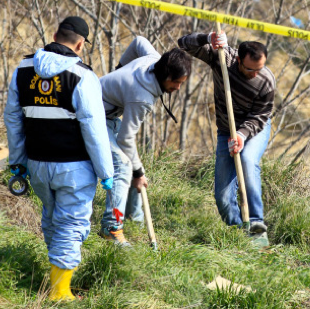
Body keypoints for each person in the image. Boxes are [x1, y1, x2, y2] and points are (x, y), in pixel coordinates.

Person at [4, 16, 114, 301]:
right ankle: (59, 292)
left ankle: (55, 280)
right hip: (74, 168)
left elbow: (13, 119)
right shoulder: (83, 76)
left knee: (52, 220)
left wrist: (18, 161)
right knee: (71, 224)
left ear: (54, 35)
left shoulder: (22, 70)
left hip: (38, 164)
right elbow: (94, 128)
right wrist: (106, 170)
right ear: (80, 44)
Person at [178, 31, 275, 246]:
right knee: (222, 197)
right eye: (251, 69)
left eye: (260, 68)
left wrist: (242, 134)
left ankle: (257, 225)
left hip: (254, 128)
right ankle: (239, 233)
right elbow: (184, 43)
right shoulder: (222, 58)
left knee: (248, 160)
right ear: (239, 60)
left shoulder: (266, 80)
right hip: (226, 130)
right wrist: (208, 38)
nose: (256, 74)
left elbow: (261, 116)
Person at [99, 36, 192, 245]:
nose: (178, 88)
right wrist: (139, 173)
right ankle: (111, 228)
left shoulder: (154, 59)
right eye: (176, 82)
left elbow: (139, 40)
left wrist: (119, 69)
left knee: (132, 161)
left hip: (108, 116)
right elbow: (125, 139)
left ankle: (136, 220)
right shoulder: (142, 98)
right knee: (124, 165)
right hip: (91, 118)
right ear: (165, 75)